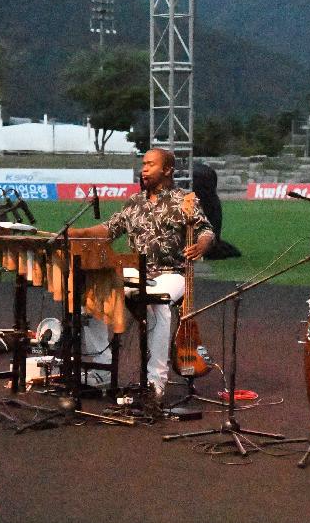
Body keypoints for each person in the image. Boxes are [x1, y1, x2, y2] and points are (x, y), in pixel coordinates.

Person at [70, 148, 215, 399]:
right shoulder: (134, 203)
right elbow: (108, 230)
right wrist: (74, 233)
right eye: (143, 164)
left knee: (156, 303)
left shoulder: (184, 200)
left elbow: (206, 230)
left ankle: (155, 380)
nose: (144, 169)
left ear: (167, 170)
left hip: (172, 273)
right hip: (135, 271)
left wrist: (203, 243)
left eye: (150, 164)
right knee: (90, 302)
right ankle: (102, 372)